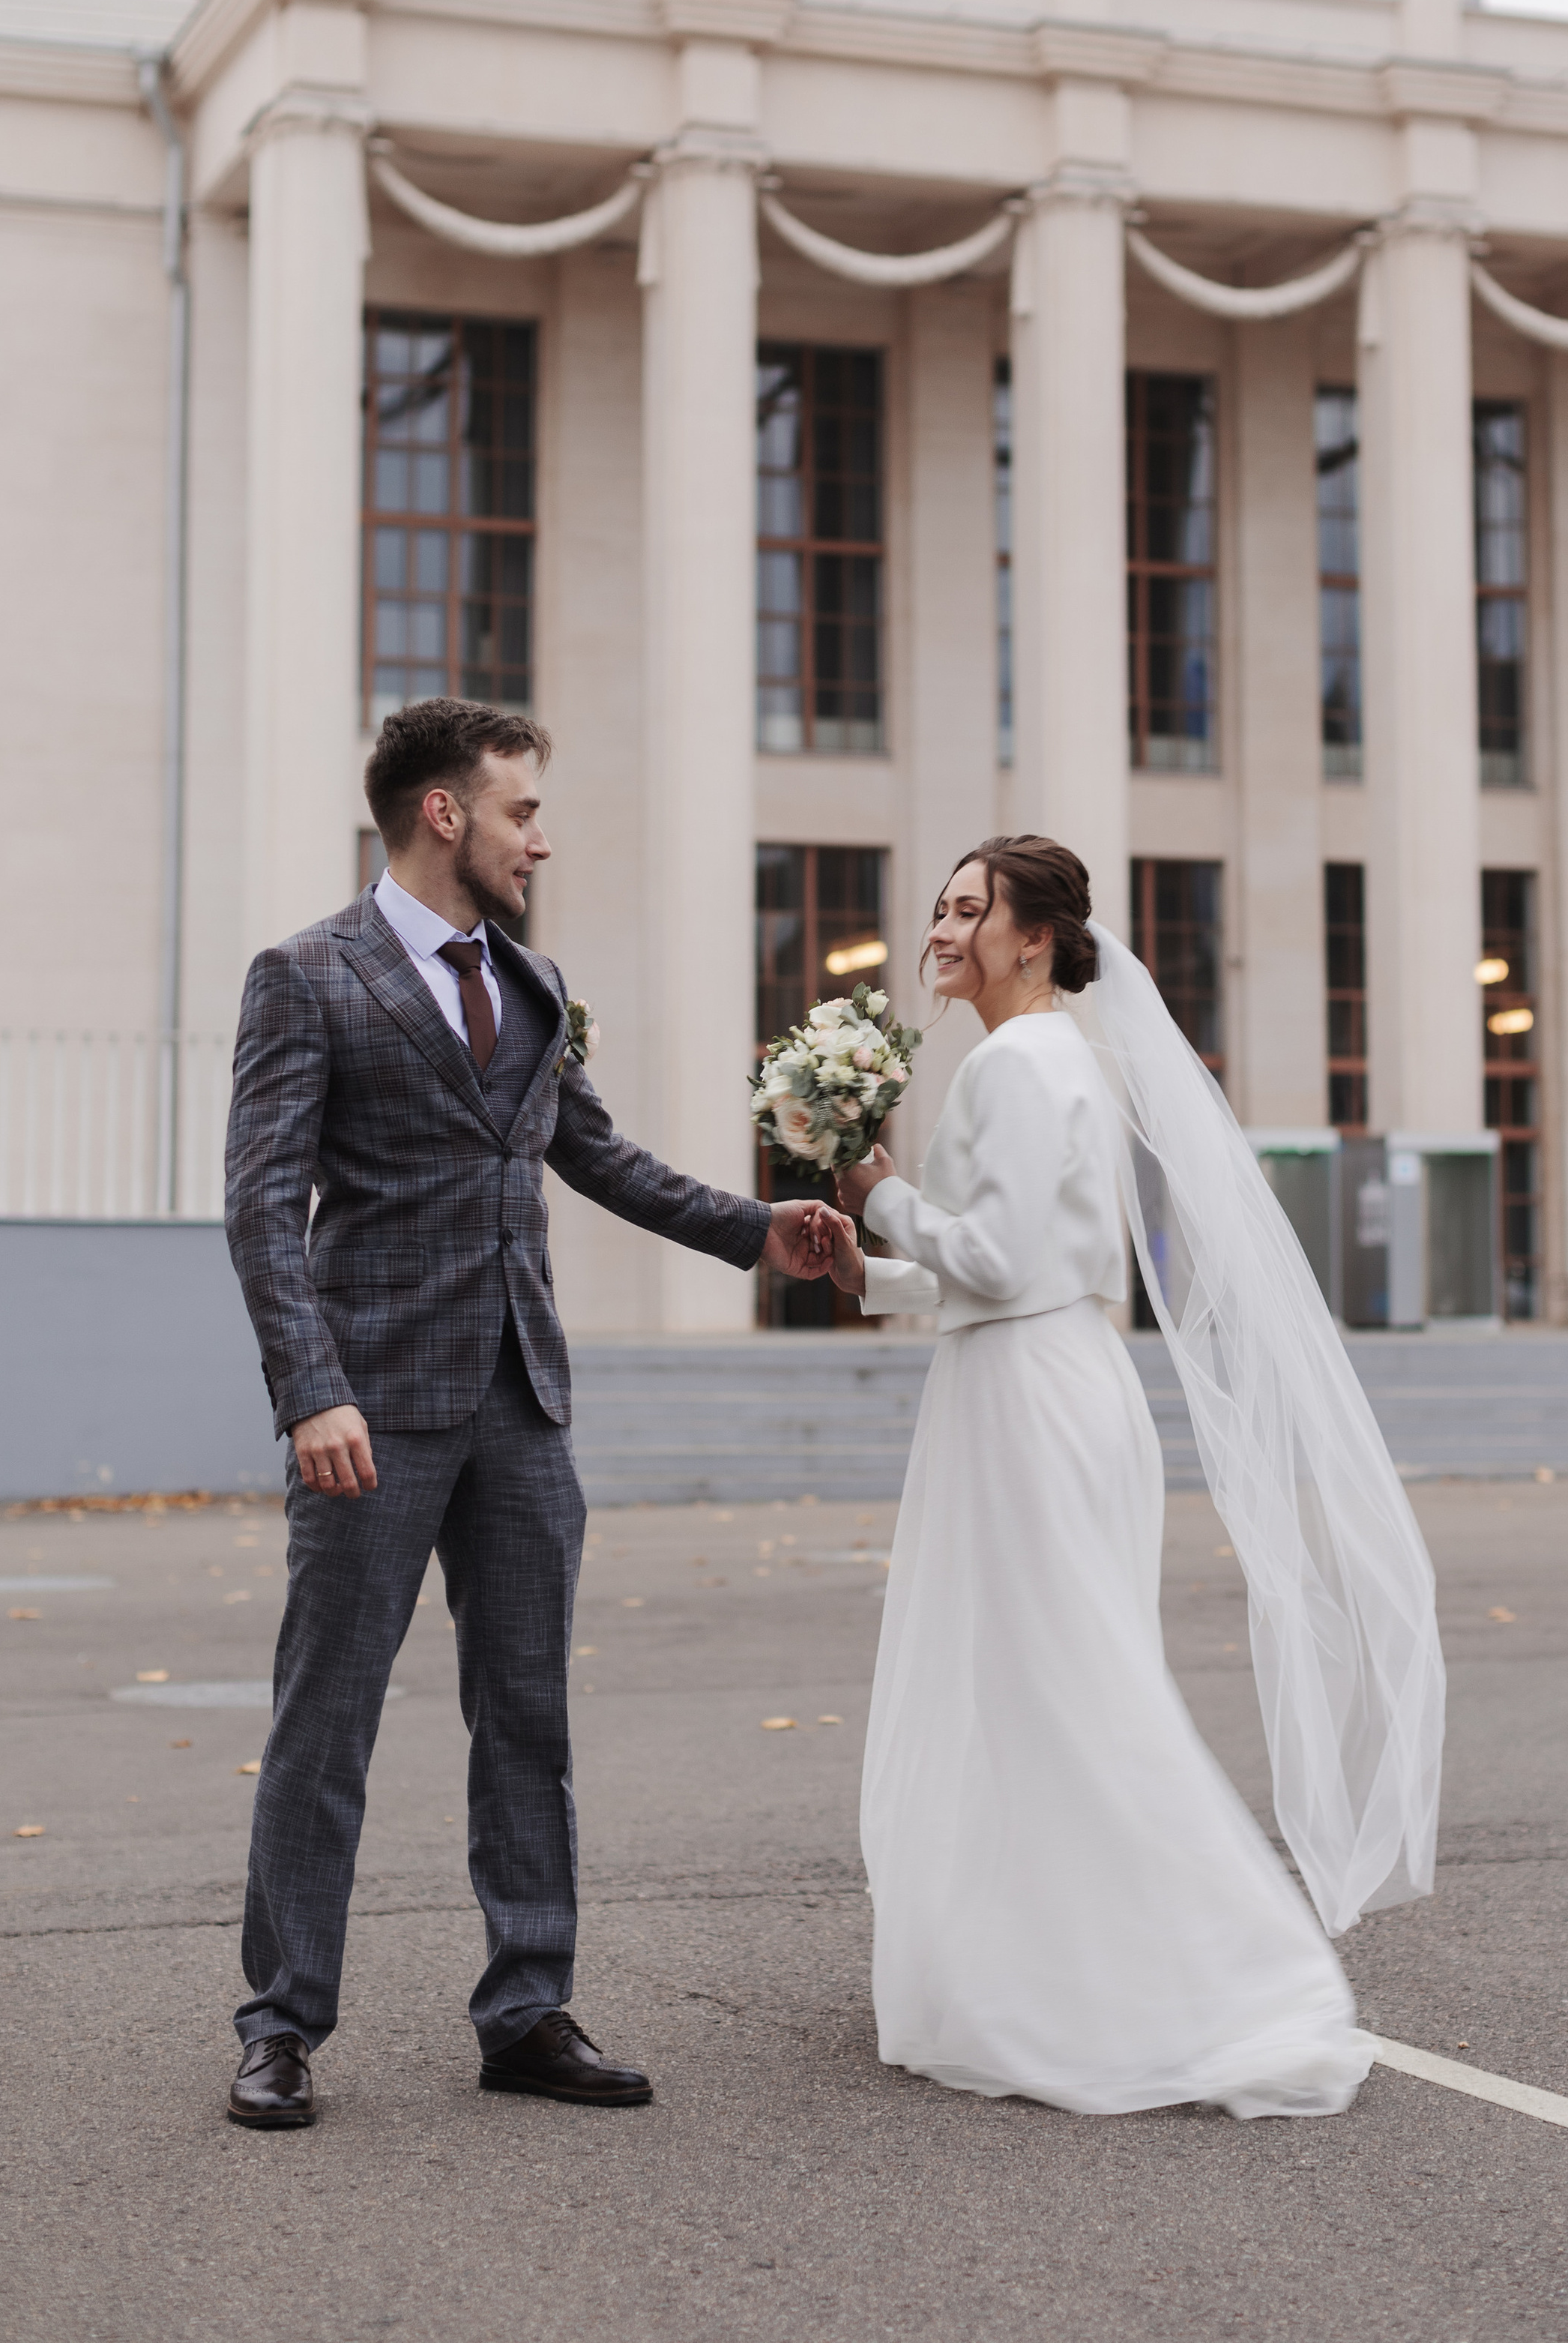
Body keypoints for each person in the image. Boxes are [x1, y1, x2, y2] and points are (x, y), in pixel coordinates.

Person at [221, 697, 832, 2130]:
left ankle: (527, 2009)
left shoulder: (534, 982)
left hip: (522, 1406)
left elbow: (598, 1157)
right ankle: (282, 2023)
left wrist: (762, 1230)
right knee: (327, 1722)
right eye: (521, 814)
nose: (538, 841)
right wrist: (309, 1390)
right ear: (445, 813)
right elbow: (260, 1206)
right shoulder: (308, 975)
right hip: (370, 1410)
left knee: (530, 1720)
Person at [815, 835, 1444, 2120]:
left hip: (1028, 1402)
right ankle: (1050, 1963)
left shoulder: (1015, 1062)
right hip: (1048, 1379)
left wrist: (881, 1194)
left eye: (967, 910)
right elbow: (1026, 1260)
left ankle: (1227, 1971)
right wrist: (871, 1274)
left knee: (1066, 1684)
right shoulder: (1066, 1062)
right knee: (1043, 1681)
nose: (940, 931)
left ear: (1032, 936)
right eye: (937, 908)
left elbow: (992, 1258)